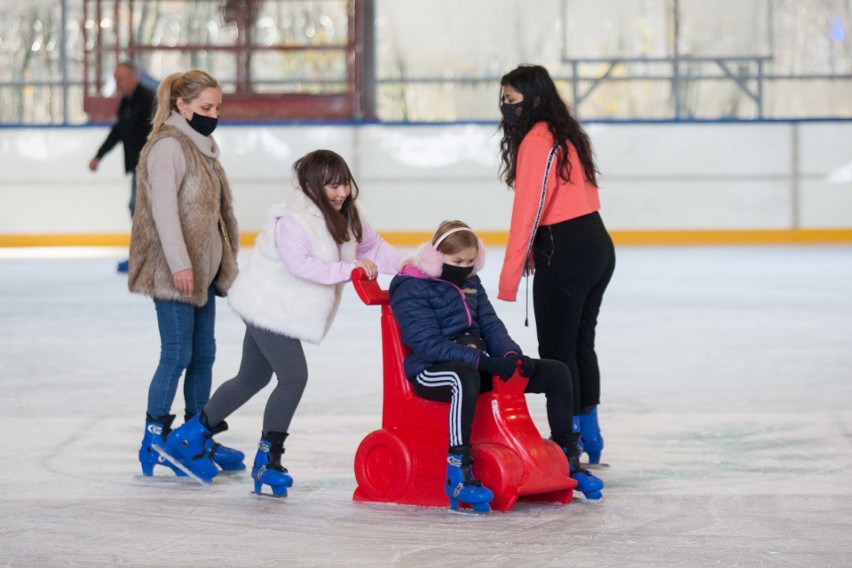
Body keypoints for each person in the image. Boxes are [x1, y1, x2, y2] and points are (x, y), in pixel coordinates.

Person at [159, 149, 410, 496]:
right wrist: (349, 269)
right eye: (330, 186)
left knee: (252, 378)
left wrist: (410, 266)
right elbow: (302, 266)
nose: (340, 193)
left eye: (343, 185)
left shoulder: (351, 215)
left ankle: (188, 438)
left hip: (283, 309)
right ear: (310, 187)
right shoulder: (292, 219)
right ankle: (268, 460)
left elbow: (375, 248)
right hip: (268, 306)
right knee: (294, 377)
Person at [389, 220, 604, 511]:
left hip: (477, 363)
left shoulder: (470, 283)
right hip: (431, 370)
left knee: (556, 372)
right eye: (456, 261)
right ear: (436, 257)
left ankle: (568, 458)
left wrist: (510, 355)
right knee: (463, 377)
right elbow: (426, 344)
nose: (464, 268)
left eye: (469, 261)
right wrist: (482, 361)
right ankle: (458, 470)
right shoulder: (411, 287)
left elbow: (490, 325)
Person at [497, 64, 615, 465]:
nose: (506, 109)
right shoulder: (568, 133)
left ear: (533, 100)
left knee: (556, 352)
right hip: (595, 244)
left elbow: (528, 209)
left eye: (512, 101)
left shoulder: (537, 140)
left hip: (565, 251)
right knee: (581, 344)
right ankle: (590, 435)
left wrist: (509, 276)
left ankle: (568, 442)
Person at [128, 69, 245, 478]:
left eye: (217, 107)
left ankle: (195, 436)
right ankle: (155, 439)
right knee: (176, 354)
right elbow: (164, 211)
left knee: (204, 355)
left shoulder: (203, 146)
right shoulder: (168, 147)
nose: (214, 114)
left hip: (204, 273)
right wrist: (180, 263)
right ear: (182, 105)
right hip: (175, 272)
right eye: (206, 107)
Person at [88, 61, 156, 273]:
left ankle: (147, 257)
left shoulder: (149, 100)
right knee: (137, 208)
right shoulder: (126, 102)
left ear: (134, 77)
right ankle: (144, 255)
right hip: (138, 166)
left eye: (121, 78)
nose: (118, 83)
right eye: (116, 79)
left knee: (140, 208)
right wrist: (99, 155)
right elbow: (118, 131)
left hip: (150, 166)